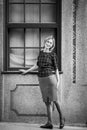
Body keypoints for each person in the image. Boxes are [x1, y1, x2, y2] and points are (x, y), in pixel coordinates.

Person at [19, 36, 65, 129]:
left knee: (55, 100)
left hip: (50, 79)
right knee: (47, 102)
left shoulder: (53, 55)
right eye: (48, 42)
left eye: (50, 43)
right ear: (45, 42)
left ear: (52, 45)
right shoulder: (41, 52)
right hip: (41, 79)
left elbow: (56, 69)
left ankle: (62, 118)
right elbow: (36, 65)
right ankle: (49, 123)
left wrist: (58, 80)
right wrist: (26, 71)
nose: (48, 43)